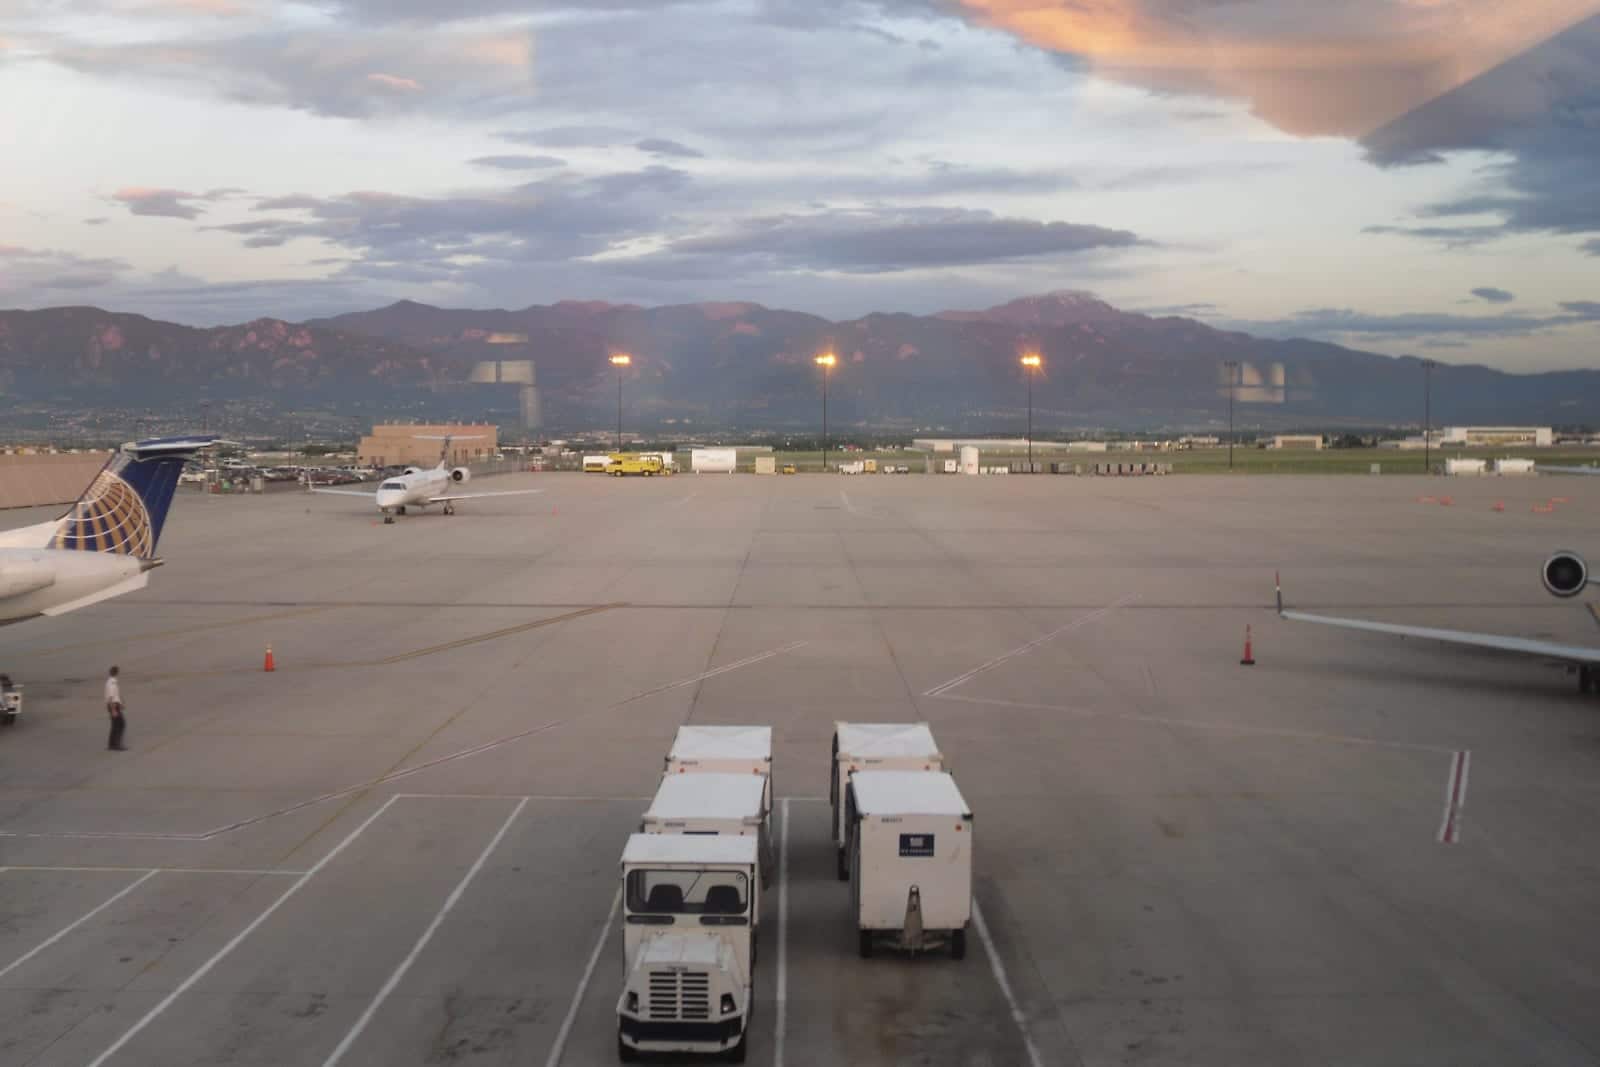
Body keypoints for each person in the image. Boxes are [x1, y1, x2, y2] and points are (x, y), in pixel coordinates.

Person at [105, 665, 126, 751]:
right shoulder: (112, 683)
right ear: (117, 673)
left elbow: (115, 695)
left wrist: (120, 704)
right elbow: (111, 697)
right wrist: (113, 710)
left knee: (115, 725)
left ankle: (112, 744)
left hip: (114, 705)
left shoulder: (110, 681)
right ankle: (117, 744)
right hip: (113, 706)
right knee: (121, 724)